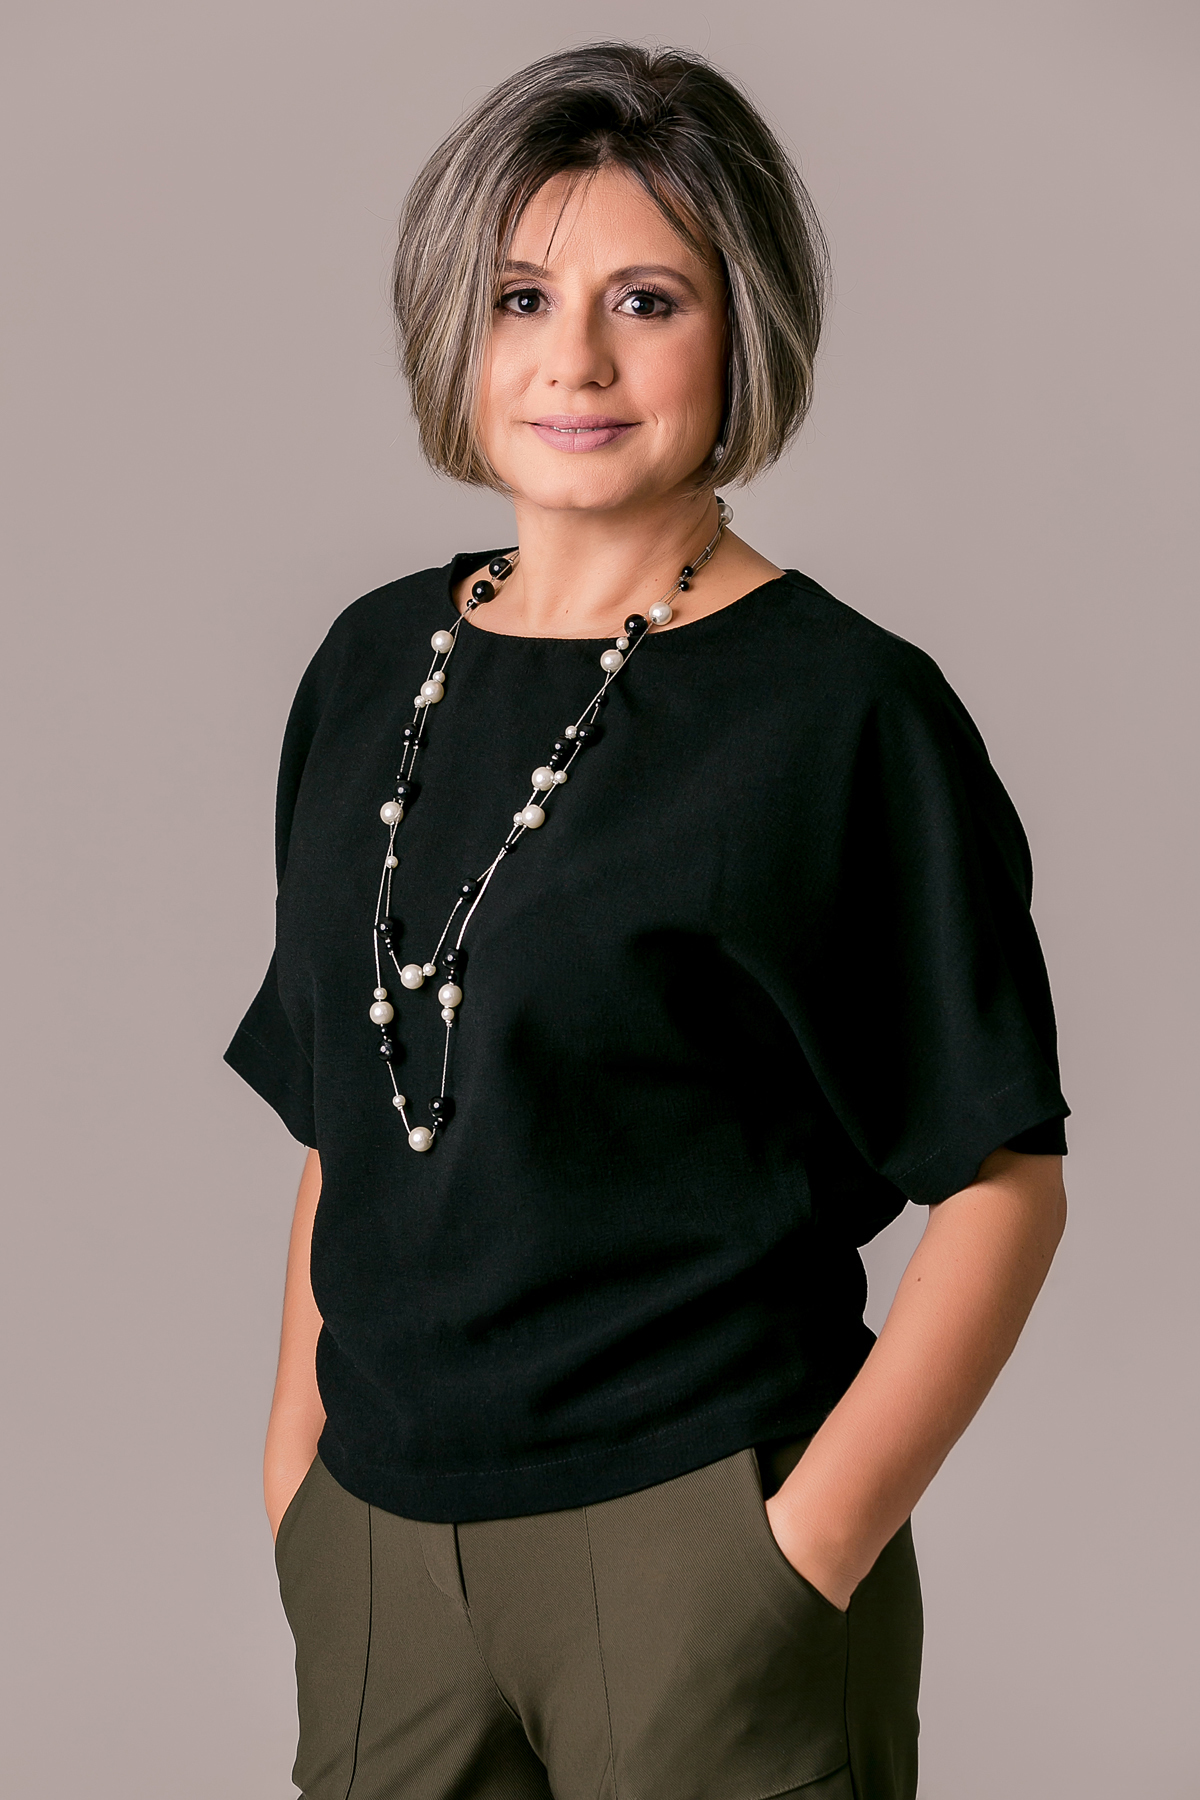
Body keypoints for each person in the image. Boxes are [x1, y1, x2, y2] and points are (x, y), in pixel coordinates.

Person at [225, 41, 1068, 1800]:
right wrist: (296, 1478)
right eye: (523, 297)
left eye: (648, 300)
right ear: (457, 325)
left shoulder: (842, 713)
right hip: (378, 1545)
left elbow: (1004, 1179)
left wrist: (800, 1556)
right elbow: (348, 1112)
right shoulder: (370, 665)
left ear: (742, 328)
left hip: (699, 1534)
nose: (575, 362)